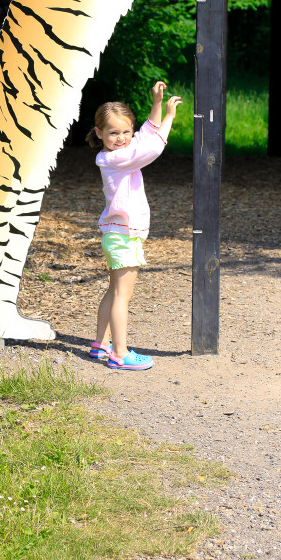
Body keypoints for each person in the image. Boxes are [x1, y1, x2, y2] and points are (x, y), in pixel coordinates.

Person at [85, 81, 182, 370]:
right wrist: (168, 118)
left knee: (114, 291)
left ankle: (100, 345)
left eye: (126, 131)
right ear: (100, 133)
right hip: (123, 236)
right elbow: (150, 148)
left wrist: (155, 104)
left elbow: (142, 137)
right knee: (122, 296)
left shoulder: (115, 154)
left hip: (116, 234)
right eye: (114, 133)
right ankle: (120, 354)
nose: (122, 138)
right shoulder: (119, 158)